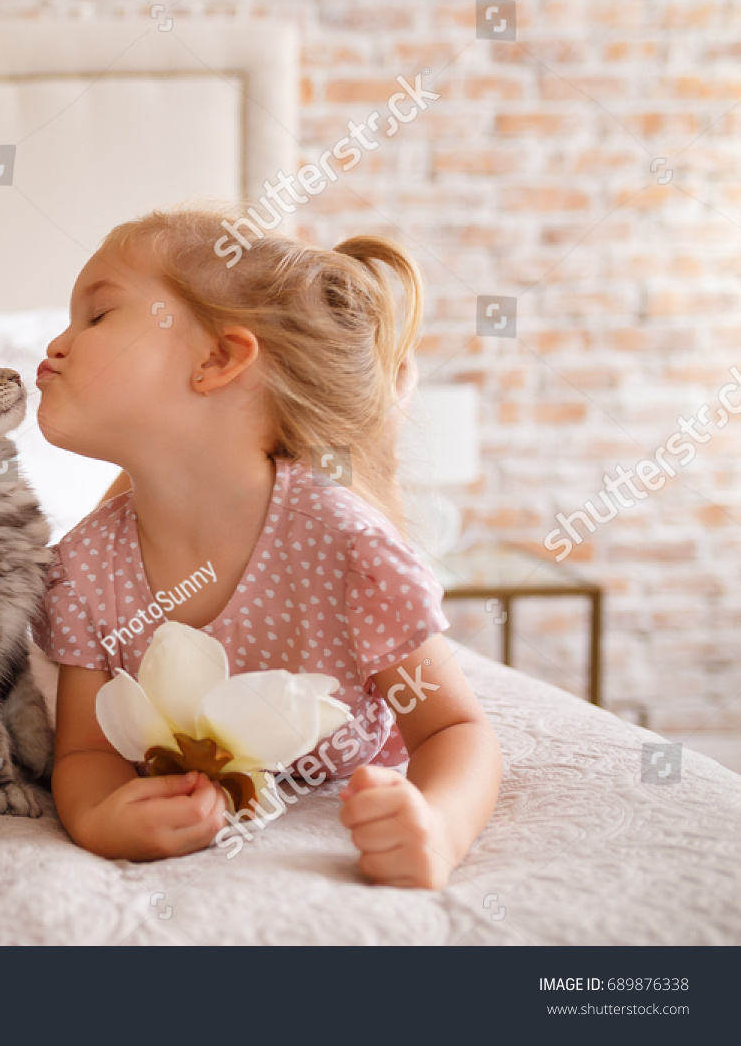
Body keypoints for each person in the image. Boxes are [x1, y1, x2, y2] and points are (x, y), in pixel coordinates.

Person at [31, 201, 501, 888]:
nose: (56, 344)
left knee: (356, 494)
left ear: (218, 357)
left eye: (98, 315)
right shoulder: (84, 567)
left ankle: (382, 439)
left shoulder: (344, 545)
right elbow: (83, 750)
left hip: (326, 508)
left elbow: (455, 730)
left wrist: (439, 826)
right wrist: (101, 814)